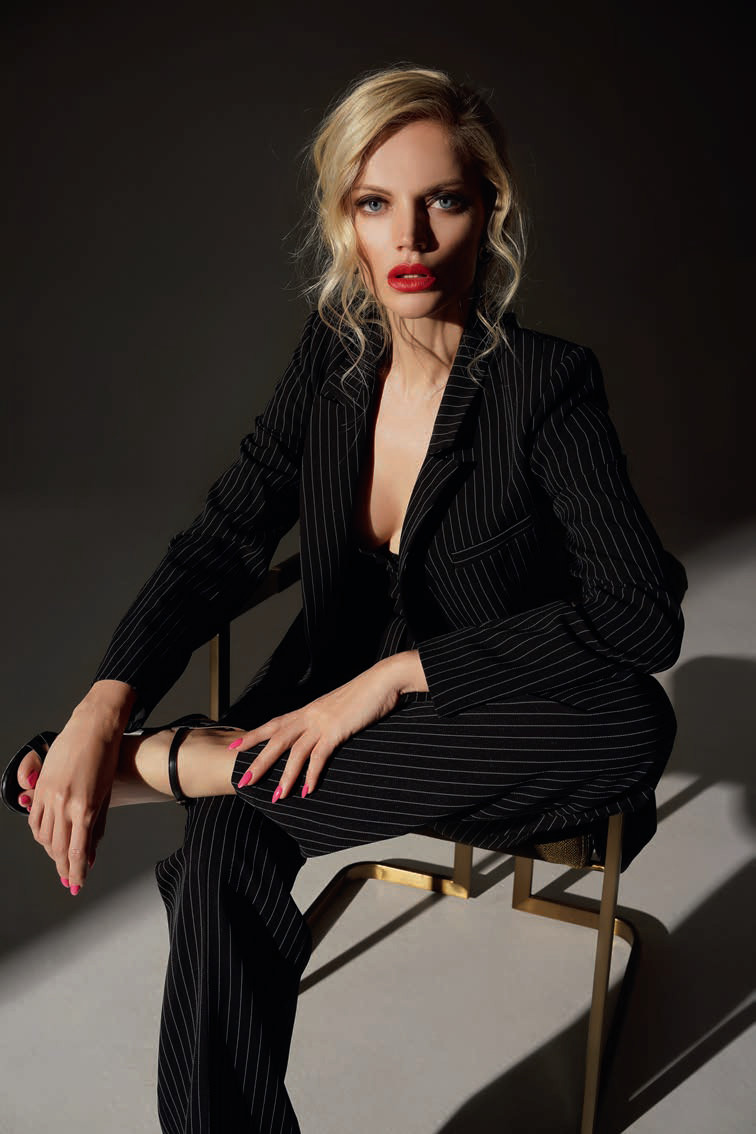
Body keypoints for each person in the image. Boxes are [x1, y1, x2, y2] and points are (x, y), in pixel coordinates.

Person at [3, 63, 685, 1133]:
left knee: (630, 719)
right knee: (224, 853)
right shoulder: (331, 364)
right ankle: (206, 772)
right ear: (345, 222)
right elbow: (222, 541)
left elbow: (642, 613)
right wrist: (103, 701)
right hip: (314, 716)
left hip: (480, 722)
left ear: (489, 209)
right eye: (376, 204)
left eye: (441, 200)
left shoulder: (543, 385)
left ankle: (196, 765)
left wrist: (400, 676)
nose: (409, 237)